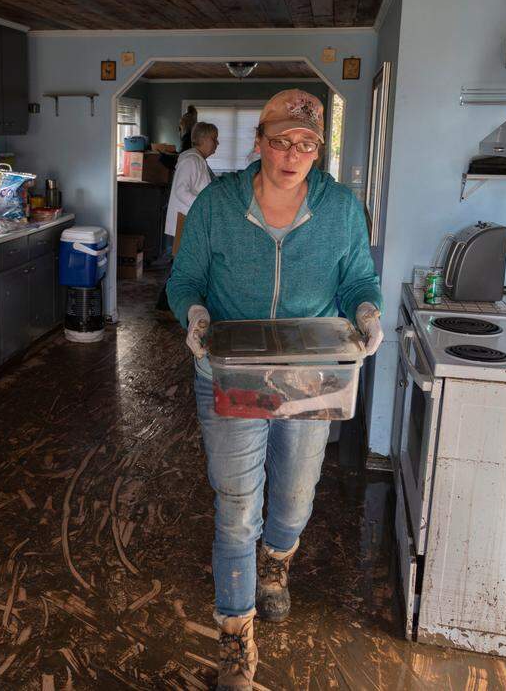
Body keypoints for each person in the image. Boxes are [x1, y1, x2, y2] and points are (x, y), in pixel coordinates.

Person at [165, 89, 383, 691]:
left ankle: (277, 565)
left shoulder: (340, 211)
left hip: (311, 378)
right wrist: (195, 316)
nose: (293, 154)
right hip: (229, 375)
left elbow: (359, 277)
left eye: (306, 144)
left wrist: (368, 311)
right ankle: (236, 639)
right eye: (281, 141)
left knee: (292, 500)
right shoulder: (216, 205)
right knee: (236, 509)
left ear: (319, 150)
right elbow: (183, 279)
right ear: (259, 142)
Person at [156, 122, 218, 311]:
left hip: (189, 220)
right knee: (181, 265)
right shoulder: (190, 160)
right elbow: (181, 191)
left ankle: (168, 303)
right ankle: (166, 303)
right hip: (184, 221)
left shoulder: (197, 160)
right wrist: (203, 207)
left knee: (182, 263)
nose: (217, 143)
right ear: (205, 140)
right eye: (214, 139)